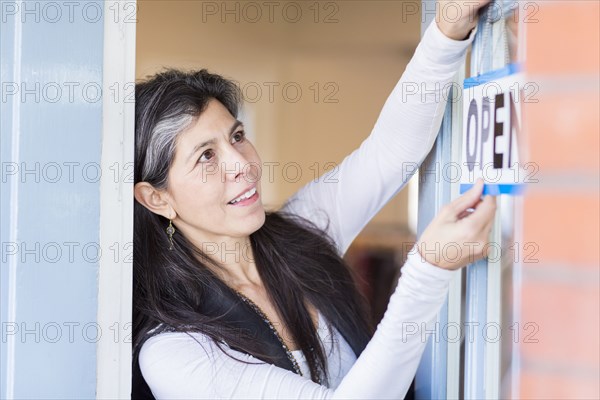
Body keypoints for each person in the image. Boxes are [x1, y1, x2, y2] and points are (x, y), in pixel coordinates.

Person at [132, 1, 495, 398]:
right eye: (206, 156)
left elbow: (390, 153)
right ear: (156, 199)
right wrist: (428, 270)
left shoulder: (301, 230)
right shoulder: (174, 350)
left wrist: (447, 31)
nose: (242, 164)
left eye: (237, 137)